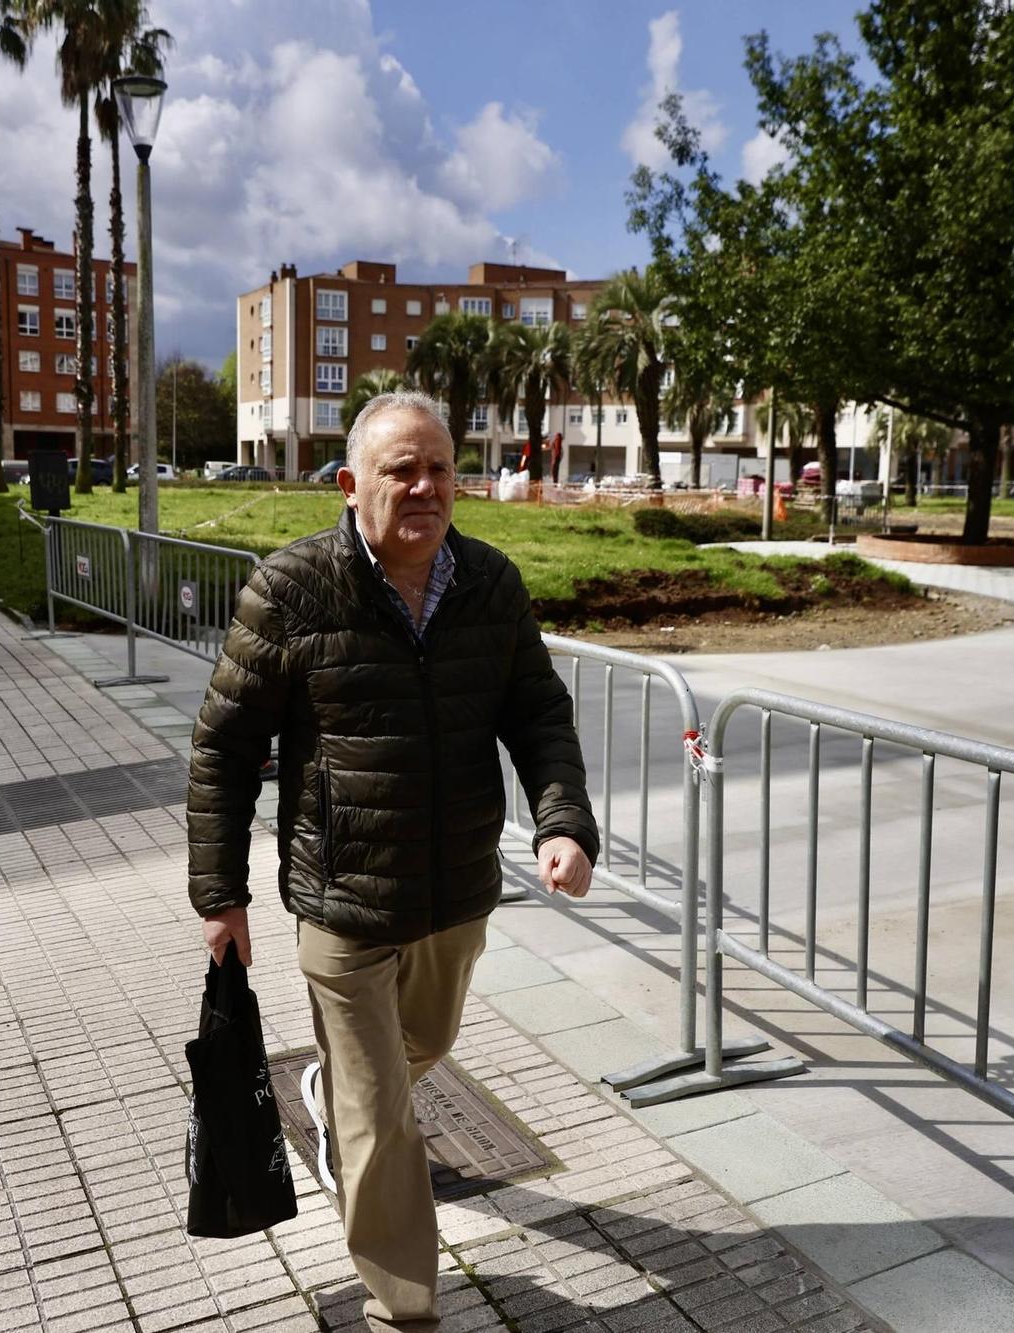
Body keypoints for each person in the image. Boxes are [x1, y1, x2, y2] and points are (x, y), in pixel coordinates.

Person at [187, 389, 597, 1332]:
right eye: (400, 469)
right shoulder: (290, 589)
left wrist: (563, 822)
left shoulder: (490, 583)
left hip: (456, 892)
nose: (424, 486)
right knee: (379, 1115)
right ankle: (402, 1309)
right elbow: (224, 748)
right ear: (349, 484)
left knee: (424, 1047)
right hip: (342, 899)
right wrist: (220, 893)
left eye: (439, 468)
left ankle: (337, 1086)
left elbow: (539, 713)